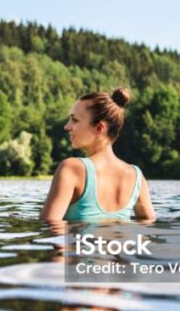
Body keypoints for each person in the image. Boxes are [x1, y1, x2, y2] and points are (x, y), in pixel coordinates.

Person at [40, 87, 156, 222]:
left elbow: (49, 225)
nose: (67, 126)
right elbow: (148, 223)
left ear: (100, 128)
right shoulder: (136, 176)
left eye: (75, 120)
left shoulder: (71, 169)